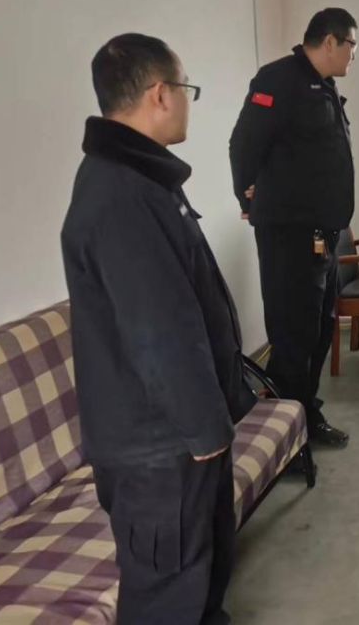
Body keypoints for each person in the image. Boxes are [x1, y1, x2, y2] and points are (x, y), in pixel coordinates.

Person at [61, 34, 255, 624]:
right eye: (187, 89)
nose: (188, 102)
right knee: (167, 594)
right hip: (159, 449)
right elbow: (158, 330)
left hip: (176, 438)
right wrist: (205, 429)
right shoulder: (120, 195)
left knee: (204, 573)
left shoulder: (140, 178)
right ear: (160, 94)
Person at [229, 8, 357, 449]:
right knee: (292, 334)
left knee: (318, 330)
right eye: (352, 45)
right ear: (329, 41)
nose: (353, 54)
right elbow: (243, 144)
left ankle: (304, 413)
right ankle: (285, 434)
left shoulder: (322, 84)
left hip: (322, 235)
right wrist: (248, 199)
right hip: (289, 234)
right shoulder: (278, 79)